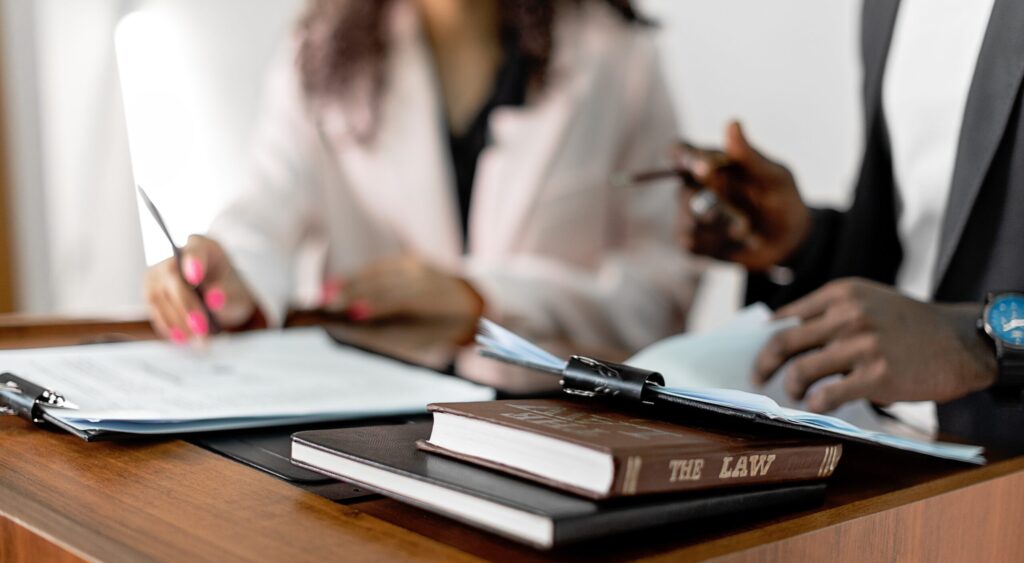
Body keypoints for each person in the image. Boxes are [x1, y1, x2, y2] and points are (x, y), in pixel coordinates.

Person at [144, 0, 699, 351]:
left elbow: (661, 293)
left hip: (553, 426)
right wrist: (234, 271)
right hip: (367, 423)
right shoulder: (319, 52)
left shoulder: (618, 57)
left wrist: (486, 301)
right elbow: (269, 201)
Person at [676, 0, 1024, 449]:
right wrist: (805, 245)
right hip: (894, 449)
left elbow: (948, 327)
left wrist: (985, 341)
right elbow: (919, 257)